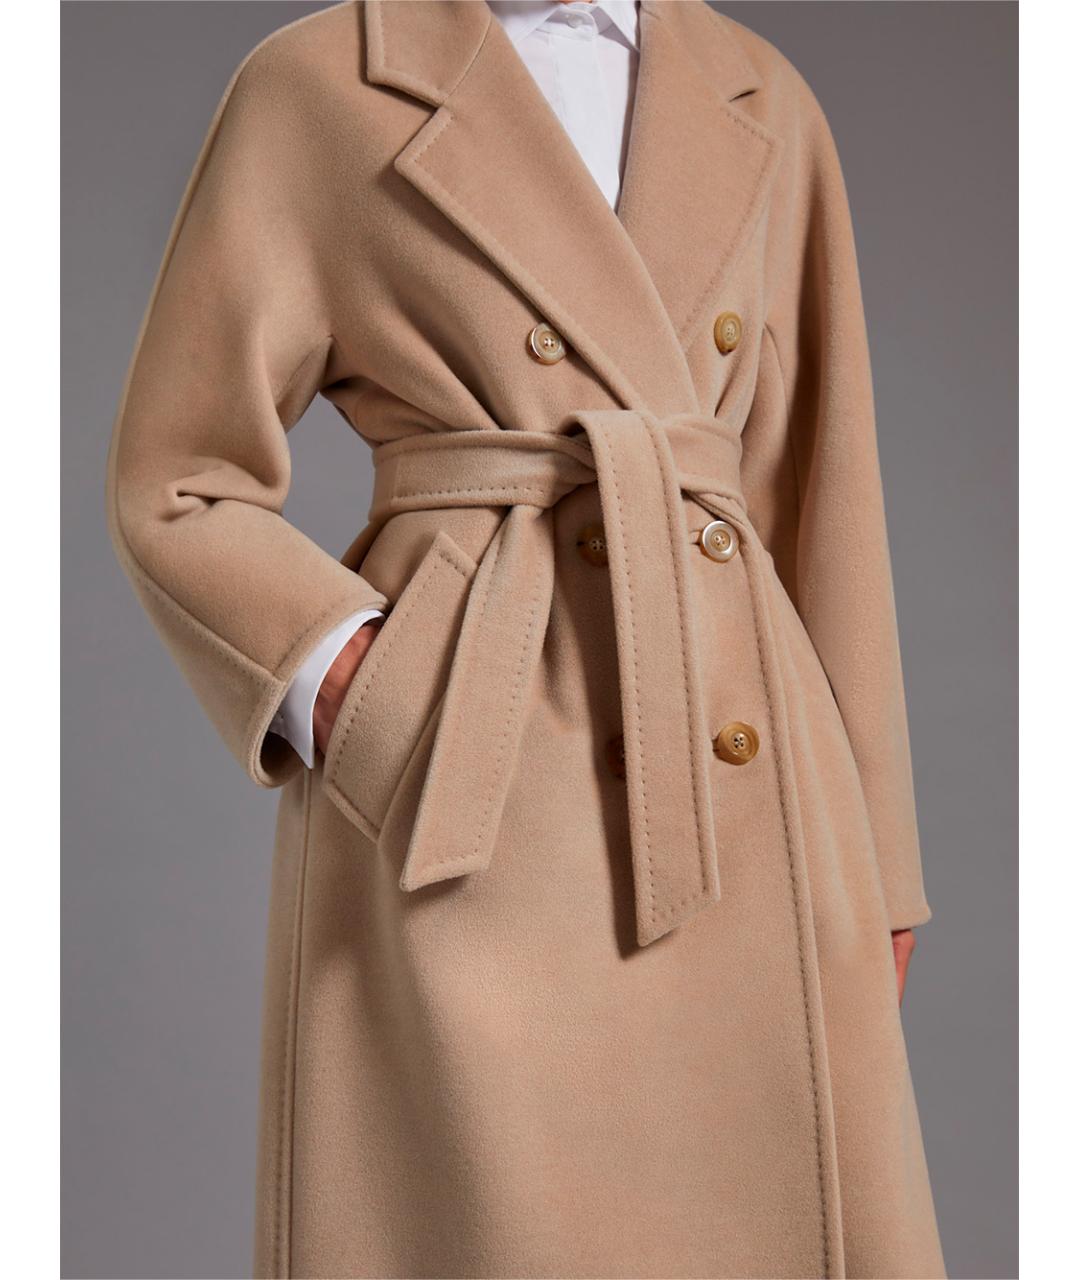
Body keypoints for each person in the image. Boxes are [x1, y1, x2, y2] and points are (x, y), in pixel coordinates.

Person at [105, 2, 946, 1276]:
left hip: (747, 794)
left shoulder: (762, 95)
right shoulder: (321, 82)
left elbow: (823, 500)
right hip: (468, 784)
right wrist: (363, 693)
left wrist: (878, 867)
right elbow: (176, 477)